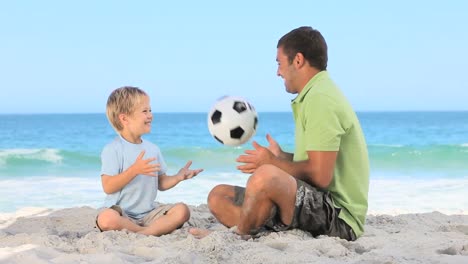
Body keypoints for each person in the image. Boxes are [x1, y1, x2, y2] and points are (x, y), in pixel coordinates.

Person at [190, 26, 369, 241]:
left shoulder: (321, 99)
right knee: (219, 196)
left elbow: (321, 176)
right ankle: (261, 230)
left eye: (279, 63)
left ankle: (241, 235)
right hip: (314, 200)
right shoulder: (314, 94)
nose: (278, 72)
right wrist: (282, 157)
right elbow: (316, 165)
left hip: (339, 217)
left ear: (298, 60)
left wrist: (273, 163)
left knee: (265, 175)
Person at [96, 86, 203, 236]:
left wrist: (178, 177)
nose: (150, 115)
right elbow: (108, 187)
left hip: (149, 213)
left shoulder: (152, 149)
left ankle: (144, 231)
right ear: (124, 118)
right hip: (122, 213)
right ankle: (147, 232)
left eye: (150, 110)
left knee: (182, 210)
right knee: (106, 219)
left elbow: (160, 183)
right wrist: (133, 170)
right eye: (144, 111)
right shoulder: (113, 149)